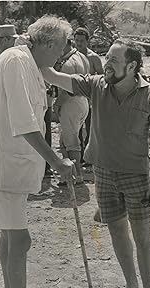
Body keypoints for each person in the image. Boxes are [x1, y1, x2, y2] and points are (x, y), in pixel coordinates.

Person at [41, 38, 150, 288]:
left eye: (113, 59)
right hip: (102, 173)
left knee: (142, 238)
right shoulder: (96, 84)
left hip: (136, 176)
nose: (106, 63)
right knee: (116, 232)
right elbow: (52, 76)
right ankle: (131, 287)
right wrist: (37, 47)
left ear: (132, 65)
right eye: (107, 58)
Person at [0, 16, 75, 288]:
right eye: (61, 48)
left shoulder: (24, 61)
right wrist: (57, 161)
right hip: (7, 164)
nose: (61, 55)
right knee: (20, 241)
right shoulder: (18, 60)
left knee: (11, 237)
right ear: (48, 43)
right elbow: (24, 122)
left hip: (13, 166)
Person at [53, 38, 90, 186]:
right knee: (66, 139)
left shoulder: (68, 64)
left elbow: (69, 89)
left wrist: (57, 104)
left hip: (71, 103)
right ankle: (70, 174)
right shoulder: (81, 57)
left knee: (71, 141)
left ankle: (77, 174)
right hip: (83, 102)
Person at [73, 27, 103, 164]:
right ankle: (79, 156)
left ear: (87, 41)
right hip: (75, 97)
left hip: (90, 98)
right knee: (76, 128)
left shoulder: (93, 58)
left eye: (81, 41)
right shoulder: (71, 56)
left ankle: (90, 156)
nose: (78, 43)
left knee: (91, 127)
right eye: (76, 40)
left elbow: (102, 77)